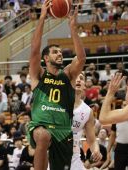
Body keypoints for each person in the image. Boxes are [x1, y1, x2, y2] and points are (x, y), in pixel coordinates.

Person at [27, 1, 86, 169]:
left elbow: (81, 59)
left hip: (63, 130)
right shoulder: (39, 75)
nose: (59, 54)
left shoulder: (68, 75)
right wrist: (43, 17)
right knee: (43, 136)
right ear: (46, 58)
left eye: (60, 52)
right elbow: (34, 51)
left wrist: (73, 28)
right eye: (55, 52)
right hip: (41, 126)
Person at [71, 74, 102, 169]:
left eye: (81, 78)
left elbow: (92, 140)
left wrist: (96, 150)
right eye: (75, 77)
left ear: (84, 85)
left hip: (74, 156)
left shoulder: (87, 111)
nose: (78, 80)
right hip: (55, 155)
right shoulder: (57, 104)